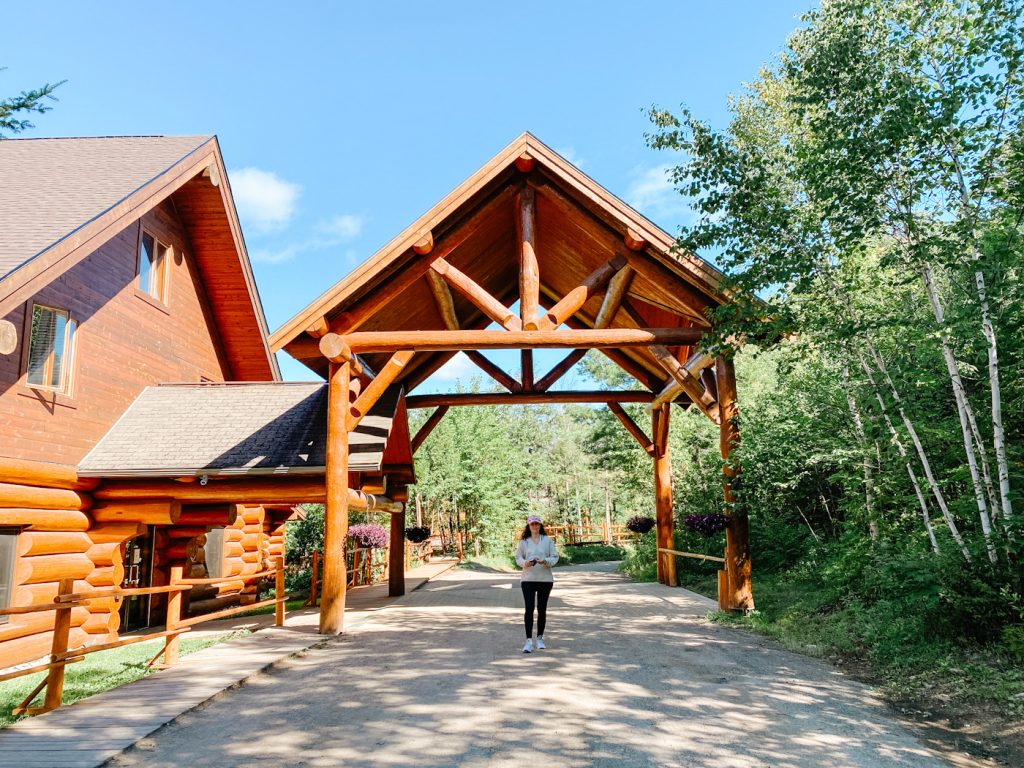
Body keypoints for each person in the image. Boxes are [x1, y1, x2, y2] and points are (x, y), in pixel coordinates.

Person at [514, 514, 559, 653]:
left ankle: (539, 638)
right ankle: (528, 641)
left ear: (540, 525)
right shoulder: (524, 542)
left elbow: (555, 557)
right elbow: (518, 558)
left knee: (542, 609)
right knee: (529, 608)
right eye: (532, 524)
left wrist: (545, 561)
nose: (534, 526)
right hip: (528, 579)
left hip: (545, 580)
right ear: (528, 526)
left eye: (537, 524)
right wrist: (525, 563)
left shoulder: (547, 541)